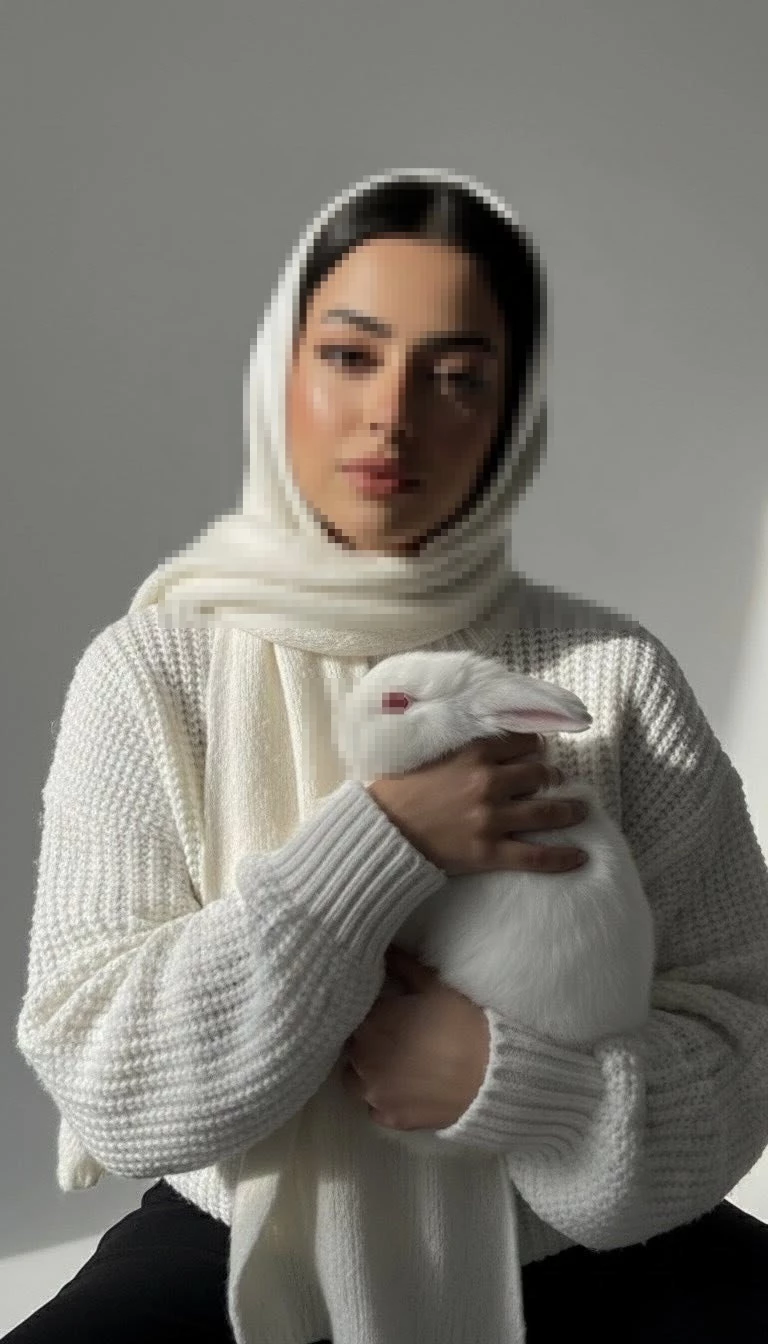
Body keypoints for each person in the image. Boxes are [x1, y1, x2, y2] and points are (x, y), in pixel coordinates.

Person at [8, 168, 768, 1344]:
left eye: (458, 378)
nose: (394, 416)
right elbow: (101, 1063)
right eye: (352, 357)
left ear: (512, 415)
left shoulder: (608, 672)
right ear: (282, 370)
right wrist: (383, 842)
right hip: (240, 1244)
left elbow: (740, 1029)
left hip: (570, 1249)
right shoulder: (151, 671)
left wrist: (519, 1088)